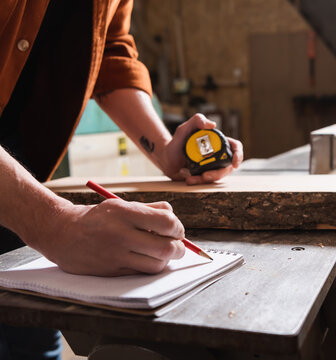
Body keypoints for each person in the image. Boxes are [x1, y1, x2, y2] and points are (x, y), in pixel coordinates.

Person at [0, 1, 243, 359]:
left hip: (21, 190)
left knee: (32, 342)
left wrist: (164, 150)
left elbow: (111, 52)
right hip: (25, 203)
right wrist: (52, 223)